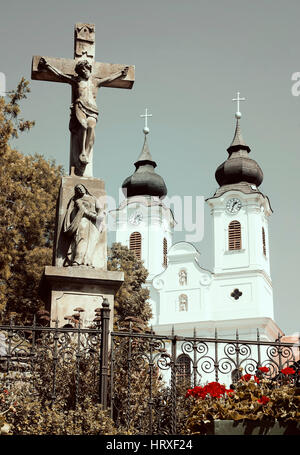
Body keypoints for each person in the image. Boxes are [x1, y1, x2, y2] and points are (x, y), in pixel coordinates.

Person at [38, 57, 129, 174]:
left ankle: (85, 152)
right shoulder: (76, 81)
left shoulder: (95, 82)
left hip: (92, 108)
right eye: (82, 71)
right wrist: (47, 66)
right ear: (79, 71)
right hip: (80, 106)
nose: (85, 72)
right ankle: (82, 152)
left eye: (86, 70)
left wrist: (121, 73)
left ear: (89, 70)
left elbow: (109, 79)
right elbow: (60, 75)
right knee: (84, 126)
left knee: (91, 127)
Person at [63, 184, 105, 267]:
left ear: (85, 188)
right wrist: (94, 217)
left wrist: (100, 216)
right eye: (78, 189)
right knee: (81, 239)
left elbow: (100, 209)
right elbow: (83, 211)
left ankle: (88, 261)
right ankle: (77, 260)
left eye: (81, 187)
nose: (80, 189)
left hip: (93, 223)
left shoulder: (93, 198)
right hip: (83, 220)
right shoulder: (77, 200)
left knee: (92, 241)